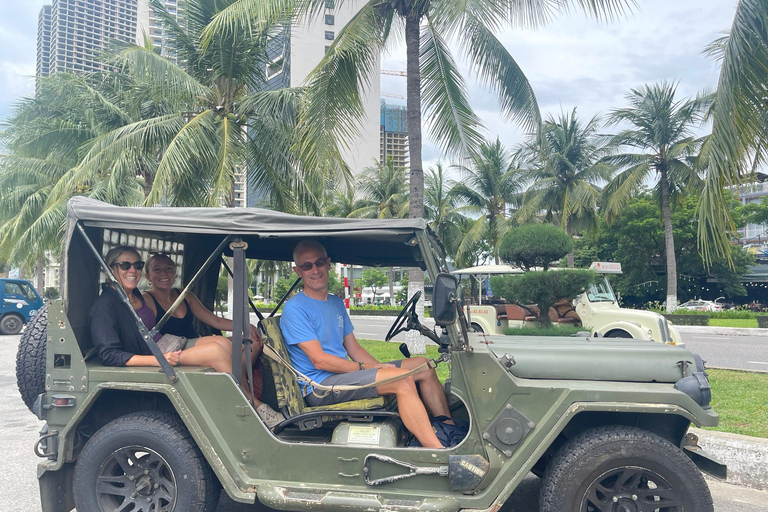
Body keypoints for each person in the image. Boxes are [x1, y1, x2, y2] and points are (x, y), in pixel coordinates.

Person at [280, 240, 453, 449]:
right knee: (401, 380)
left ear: (328, 263)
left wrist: (380, 369)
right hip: (319, 386)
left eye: (319, 262)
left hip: (341, 376)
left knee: (424, 365)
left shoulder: (335, 302)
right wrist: (374, 370)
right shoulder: (295, 308)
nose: (315, 270)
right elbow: (319, 360)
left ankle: (449, 430)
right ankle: (439, 452)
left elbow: (354, 348)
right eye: (307, 266)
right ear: (298, 271)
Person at [89, 246, 282, 427]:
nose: (132, 270)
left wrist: (244, 327)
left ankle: (244, 397)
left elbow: (210, 320)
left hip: (165, 344)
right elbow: (110, 354)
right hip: (156, 355)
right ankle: (253, 405)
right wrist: (158, 360)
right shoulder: (106, 305)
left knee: (222, 342)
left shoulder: (132, 295)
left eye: (137, 265)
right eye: (125, 265)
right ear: (110, 269)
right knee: (216, 350)